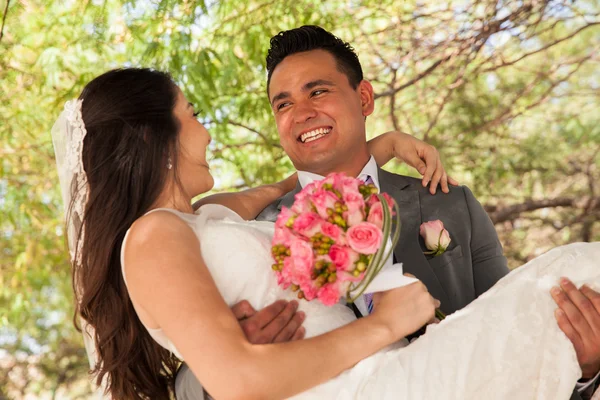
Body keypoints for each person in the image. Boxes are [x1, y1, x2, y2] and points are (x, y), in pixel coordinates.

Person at [53, 67, 600, 400]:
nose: (208, 130)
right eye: (192, 115)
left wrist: (381, 144)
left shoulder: (205, 215)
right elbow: (239, 380)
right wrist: (385, 324)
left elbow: (285, 182)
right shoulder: (150, 239)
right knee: (575, 267)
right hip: (370, 387)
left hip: (391, 371)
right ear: (158, 139)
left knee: (573, 273)